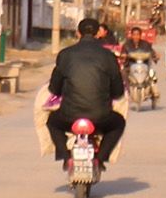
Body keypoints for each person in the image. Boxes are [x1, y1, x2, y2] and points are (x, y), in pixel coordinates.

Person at [46, 15, 127, 173]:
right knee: (118, 123)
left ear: (78, 33)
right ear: (98, 33)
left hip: (69, 116)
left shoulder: (65, 54)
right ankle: (101, 158)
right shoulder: (109, 57)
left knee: (52, 122)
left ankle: (64, 155)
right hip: (101, 117)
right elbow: (118, 92)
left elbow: (54, 88)